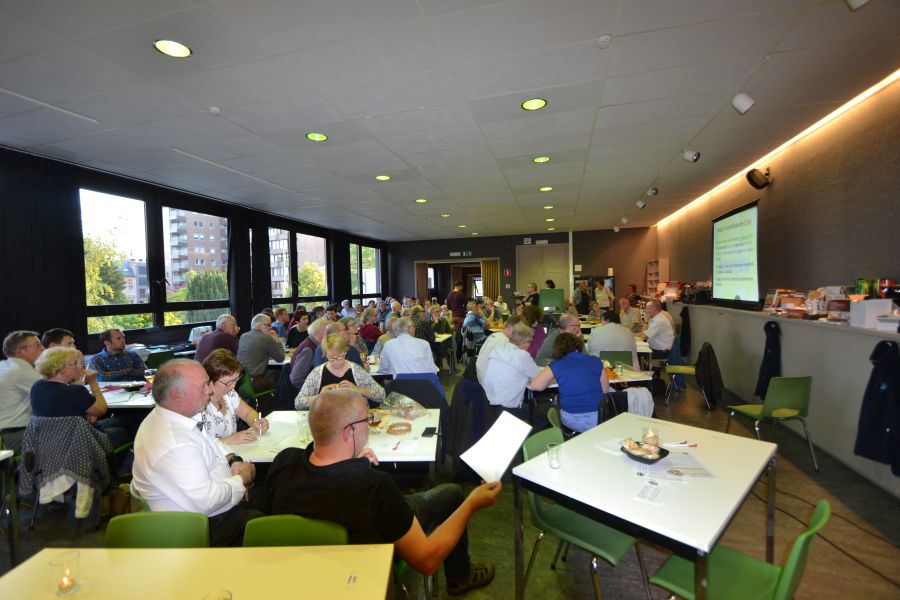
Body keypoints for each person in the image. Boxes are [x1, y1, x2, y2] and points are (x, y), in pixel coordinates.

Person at [262, 389, 500, 596]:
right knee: (454, 494)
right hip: (366, 567)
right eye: (366, 419)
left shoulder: (284, 463)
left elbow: (324, 482)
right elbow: (426, 560)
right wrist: (472, 503)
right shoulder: (373, 487)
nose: (369, 424)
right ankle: (460, 577)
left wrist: (352, 461)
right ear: (349, 433)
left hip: (307, 573)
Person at [132, 359, 262, 547]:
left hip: (216, 507)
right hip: (199, 528)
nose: (209, 391)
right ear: (177, 396)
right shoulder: (174, 442)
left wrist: (233, 461)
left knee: (276, 489)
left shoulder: (181, 418)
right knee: (269, 519)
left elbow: (214, 447)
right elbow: (207, 502)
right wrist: (241, 480)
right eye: (203, 386)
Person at [30, 346, 129, 448]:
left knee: (124, 420)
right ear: (61, 368)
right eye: (75, 363)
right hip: (79, 444)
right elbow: (102, 410)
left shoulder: (37, 387)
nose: (79, 367)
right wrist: (93, 382)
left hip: (49, 443)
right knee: (129, 428)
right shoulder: (75, 391)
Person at [531, 333, 609, 433]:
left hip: (572, 420)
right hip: (600, 417)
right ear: (579, 345)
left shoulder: (557, 364)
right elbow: (605, 390)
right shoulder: (595, 361)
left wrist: (555, 379)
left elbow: (535, 386)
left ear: (558, 348)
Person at [295, 335, 385, 409]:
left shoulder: (356, 371)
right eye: (331, 358)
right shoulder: (317, 374)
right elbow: (298, 403)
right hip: (326, 419)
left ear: (345, 352)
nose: (336, 361)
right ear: (325, 355)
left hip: (354, 417)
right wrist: (320, 397)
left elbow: (381, 395)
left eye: (340, 356)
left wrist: (357, 390)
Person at [200, 349, 269, 446]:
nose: (234, 386)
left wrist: (256, 421)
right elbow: (198, 446)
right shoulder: (199, 405)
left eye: (236, 380)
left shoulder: (229, 393)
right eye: (229, 382)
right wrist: (226, 440)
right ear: (210, 380)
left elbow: (247, 413)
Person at [483, 324, 541, 421]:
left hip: (489, 403)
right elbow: (539, 377)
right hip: (508, 408)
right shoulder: (522, 356)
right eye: (531, 342)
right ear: (525, 343)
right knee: (543, 420)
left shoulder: (498, 349)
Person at [0, 331, 43, 452]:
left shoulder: (4, 365)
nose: (42, 348)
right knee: (67, 433)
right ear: (20, 350)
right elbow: (55, 394)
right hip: (14, 434)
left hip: (7, 433)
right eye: (37, 345)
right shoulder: (21, 370)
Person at [236, 313, 285, 392]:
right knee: (282, 373)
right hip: (255, 383)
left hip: (241, 381)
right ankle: (280, 399)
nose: (271, 327)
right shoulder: (266, 338)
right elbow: (281, 358)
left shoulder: (243, 336)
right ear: (260, 325)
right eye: (269, 325)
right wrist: (277, 340)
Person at [476, 315, 524, 386]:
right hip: (487, 382)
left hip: (479, 373)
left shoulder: (496, 335)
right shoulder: (505, 341)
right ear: (510, 328)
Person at [288, 318, 329, 390]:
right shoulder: (309, 349)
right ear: (321, 333)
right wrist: (317, 386)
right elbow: (296, 379)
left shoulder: (311, 343)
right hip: (305, 392)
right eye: (329, 332)